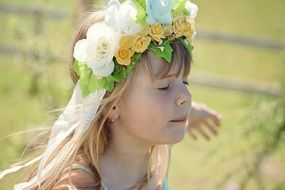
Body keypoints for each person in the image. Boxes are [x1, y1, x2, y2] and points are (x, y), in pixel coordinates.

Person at [0, 0, 221, 189]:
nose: (185, 96)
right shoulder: (77, 185)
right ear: (111, 104)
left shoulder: (153, 154)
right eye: (164, 87)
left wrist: (189, 112)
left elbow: (162, 105)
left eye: (184, 81)